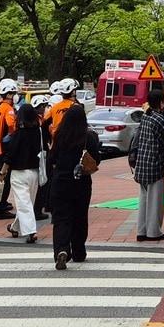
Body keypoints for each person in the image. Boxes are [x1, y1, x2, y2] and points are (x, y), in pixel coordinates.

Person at [48, 104, 100, 270]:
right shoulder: (89, 137)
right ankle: (78, 251)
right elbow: (96, 160)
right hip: (81, 183)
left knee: (61, 218)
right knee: (79, 217)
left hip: (61, 182)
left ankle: (61, 250)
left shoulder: (60, 136)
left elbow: (52, 159)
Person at [129, 89, 164, 242]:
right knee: (155, 201)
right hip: (154, 164)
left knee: (143, 198)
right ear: (161, 102)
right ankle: (154, 232)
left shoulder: (146, 117)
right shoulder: (160, 120)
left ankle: (141, 231)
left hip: (142, 163)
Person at [3, 103, 44, 242]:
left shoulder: (18, 134)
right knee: (27, 203)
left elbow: (10, 155)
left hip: (19, 173)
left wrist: (3, 171)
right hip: (34, 172)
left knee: (23, 204)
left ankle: (31, 232)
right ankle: (15, 227)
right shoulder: (38, 133)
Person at [0, 79, 18, 219]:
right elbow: (11, 126)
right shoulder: (8, 109)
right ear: (10, 94)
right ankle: (0, 209)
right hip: (4, 150)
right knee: (3, 180)